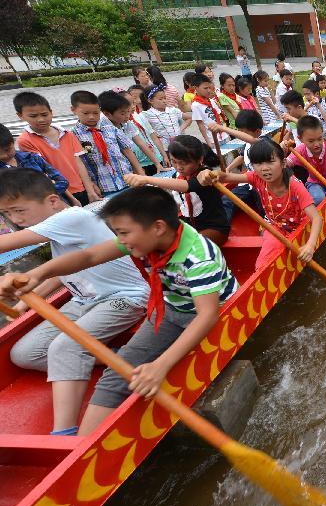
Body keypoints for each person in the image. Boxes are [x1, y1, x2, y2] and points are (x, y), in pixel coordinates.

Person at [0, 186, 238, 435]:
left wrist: (161, 365)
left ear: (158, 227)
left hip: (211, 313)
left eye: (123, 233)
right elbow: (90, 256)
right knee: (118, 374)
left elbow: (207, 315)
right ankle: (82, 446)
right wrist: (35, 274)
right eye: (117, 233)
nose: (120, 240)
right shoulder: (144, 239)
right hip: (168, 308)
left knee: (159, 363)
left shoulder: (198, 258)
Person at [0, 169, 148, 435]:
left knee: (64, 348)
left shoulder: (72, 216)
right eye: (7, 214)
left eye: (19, 210)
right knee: (22, 354)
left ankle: (64, 433)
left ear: (53, 201)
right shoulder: (59, 230)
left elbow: (9, 244)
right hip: (84, 300)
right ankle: (114, 358)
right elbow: (63, 271)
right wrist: (24, 305)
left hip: (125, 297)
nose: (15, 219)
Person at [198, 138, 322, 268]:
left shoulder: (295, 186)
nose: (264, 168)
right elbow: (225, 177)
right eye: (258, 164)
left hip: (300, 226)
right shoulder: (256, 177)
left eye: (270, 162)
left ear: (283, 163)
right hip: (276, 227)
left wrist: (310, 245)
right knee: (261, 265)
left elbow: (316, 218)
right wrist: (210, 173)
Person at [125, 135, 230, 246]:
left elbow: (186, 186)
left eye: (184, 163)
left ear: (200, 160)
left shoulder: (205, 175)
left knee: (184, 247)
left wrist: (146, 178)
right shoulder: (177, 175)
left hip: (214, 228)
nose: (179, 167)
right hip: (191, 227)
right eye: (174, 162)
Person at [13, 91, 97, 205]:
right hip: (59, 193)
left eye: (44, 114)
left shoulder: (67, 134)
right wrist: (69, 198)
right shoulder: (25, 141)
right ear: (20, 115)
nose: (41, 119)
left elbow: (79, 163)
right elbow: (44, 172)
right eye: (33, 116)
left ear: (51, 112)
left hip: (81, 189)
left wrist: (90, 190)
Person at [70, 90, 143, 196]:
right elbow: (81, 162)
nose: (91, 117)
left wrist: (140, 172)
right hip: (104, 186)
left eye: (95, 113)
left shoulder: (109, 127)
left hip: (127, 179)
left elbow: (127, 150)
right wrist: (91, 186)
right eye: (86, 113)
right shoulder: (74, 135)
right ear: (73, 110)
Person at [0, 124, 74, 204]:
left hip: (55, 206)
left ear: (13, 142)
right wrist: (47, 186)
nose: (3, 155)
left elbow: (62, 181)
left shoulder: (32, 158)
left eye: (7, 150)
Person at [123, 87, 168, 176]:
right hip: (140, 164)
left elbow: (154, 137)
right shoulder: (123, 124)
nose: (133, 105)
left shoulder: (140, 117)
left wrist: (164, 155)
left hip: (156, 158)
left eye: (133, 102)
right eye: (129, 104)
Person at [142, 84, 191, 153]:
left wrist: (180, 129)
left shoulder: (173, 110)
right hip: (164, 148)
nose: (164, 101)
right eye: (160, 99)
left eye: (165, 98)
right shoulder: (146, 114)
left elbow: (189, 118)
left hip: (180, 144)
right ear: (150, 100)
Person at [190, 75, 228, 148]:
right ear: (196, 88)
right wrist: (208, 142)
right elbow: (200, 125)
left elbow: (220, 117)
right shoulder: (196, 105)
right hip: (213, 139)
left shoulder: (211, 101)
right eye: (205, 88)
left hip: (224, 135)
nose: (208, 90)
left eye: (209, 88)